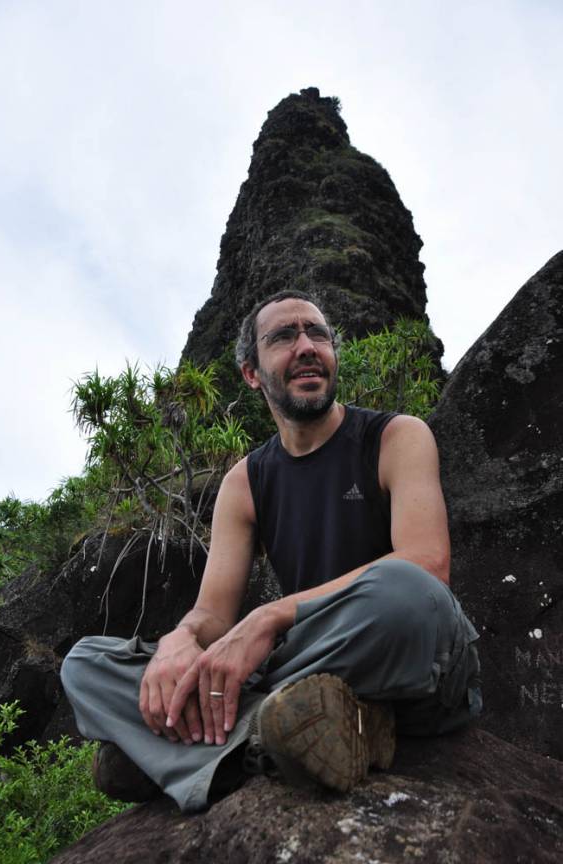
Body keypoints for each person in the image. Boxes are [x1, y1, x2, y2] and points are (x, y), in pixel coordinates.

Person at [61, 290, 481, 812]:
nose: (306, 346)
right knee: (84, 663)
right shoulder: (247, 481)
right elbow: (213, 613)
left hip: (400, 652)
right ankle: (292, 727)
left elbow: (425, 563)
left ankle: (202, 745)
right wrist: (182, 638)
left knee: (410, 593)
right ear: (252, 373)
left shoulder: (396, 436)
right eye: (284, 337)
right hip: (308, 670)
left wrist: (271, 617)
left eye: (317, 334)